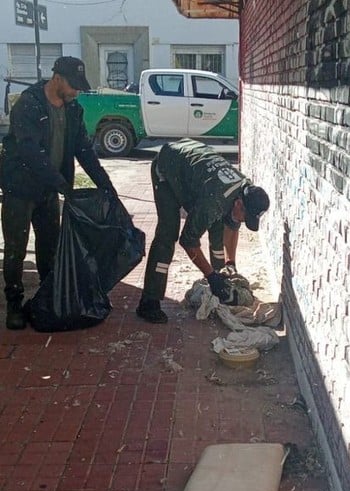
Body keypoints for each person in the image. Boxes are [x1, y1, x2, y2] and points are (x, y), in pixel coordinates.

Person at [0, 56, 118, 330]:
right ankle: (14, 303)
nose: (76, 91)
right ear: (57, 78)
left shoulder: (73, 110)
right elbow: (31, 152)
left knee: (50, 246)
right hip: (20, 188)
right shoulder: (28, 105)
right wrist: (63, 184)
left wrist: (106, 185)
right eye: (73, 85)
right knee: (16, 248)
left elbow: (84, 150)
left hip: (48, 190)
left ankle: (47, 297)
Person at [136, 138, 270, 324]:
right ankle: (149, 301)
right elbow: (188, 241)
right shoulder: (214, 200)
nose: (242, 221)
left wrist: (230, 264)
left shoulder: (245, 190)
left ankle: (219, 276)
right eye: (244, 217)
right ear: (239, 204)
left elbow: (232, 227)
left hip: (194, 168)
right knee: (168, 233)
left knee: (219, 224)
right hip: (167, 167)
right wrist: (212, 277)